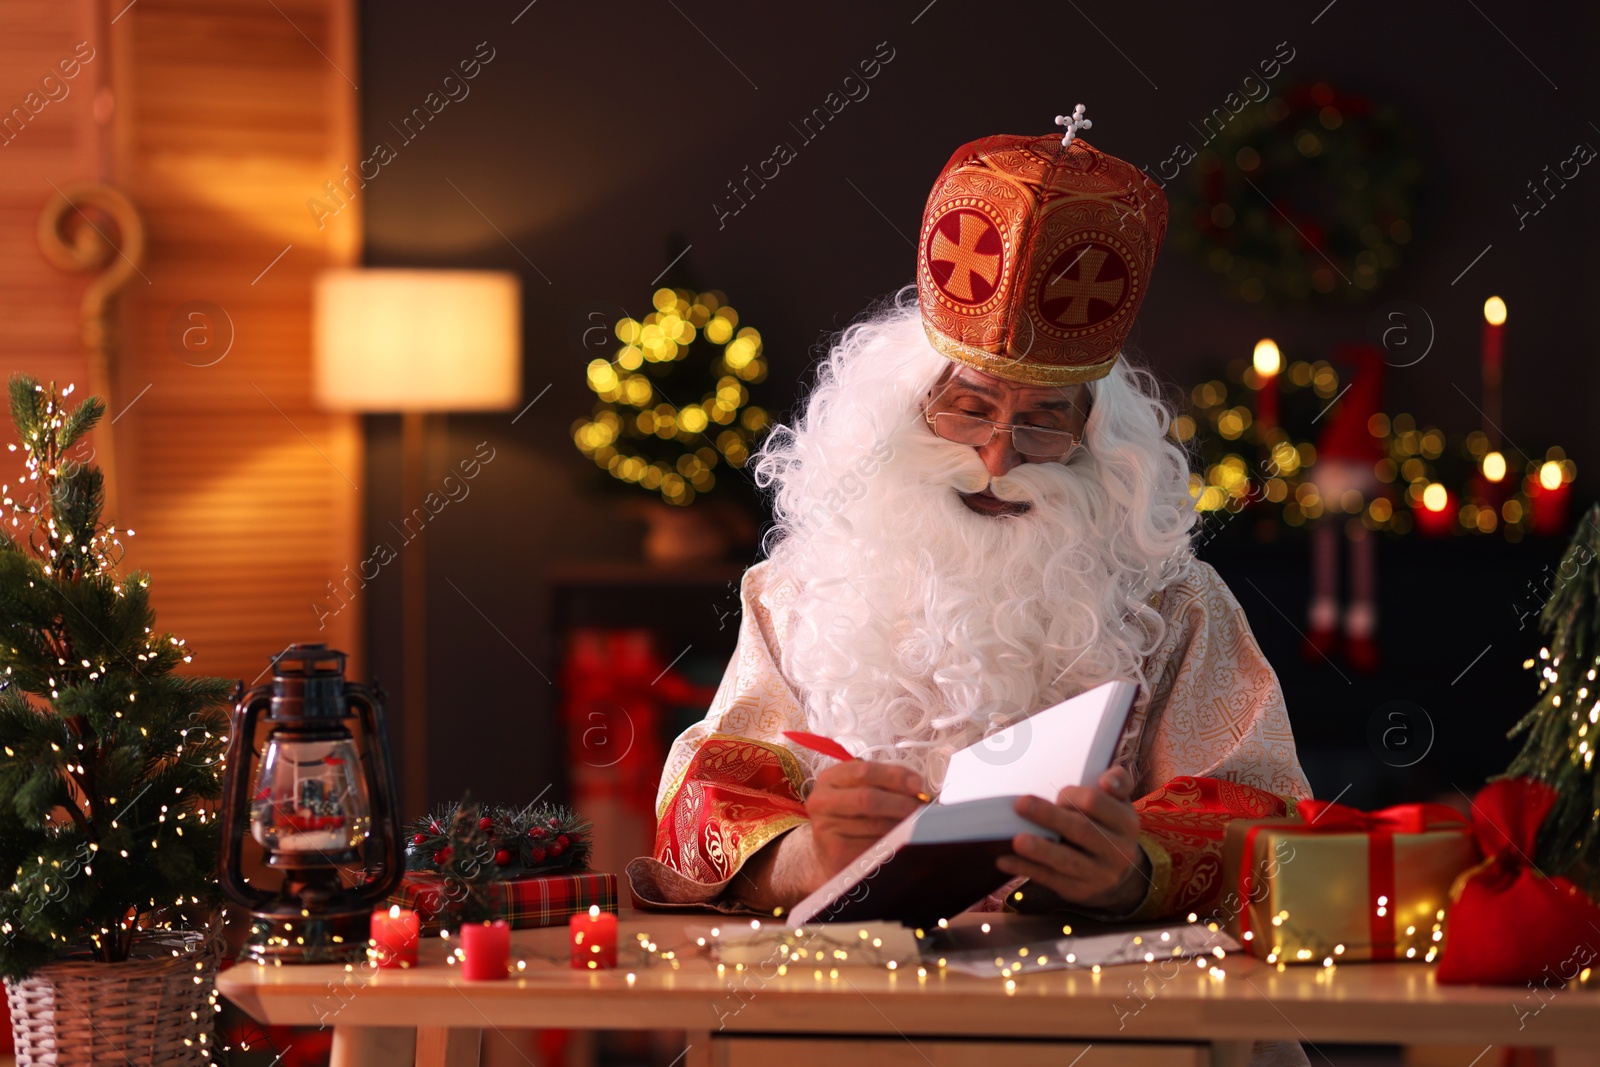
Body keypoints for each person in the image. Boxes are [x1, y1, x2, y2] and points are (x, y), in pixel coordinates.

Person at [627, 113, 1311, 953]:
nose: (998, 454)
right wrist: (807, 856)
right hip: (849, 1008)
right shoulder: (802, 592)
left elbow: (1270, 823)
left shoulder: (1175, 601)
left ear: (1098, 442)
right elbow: (701, 809)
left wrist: (1132, 872)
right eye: (971, 407)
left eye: (1043, 420)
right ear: (903, 413)